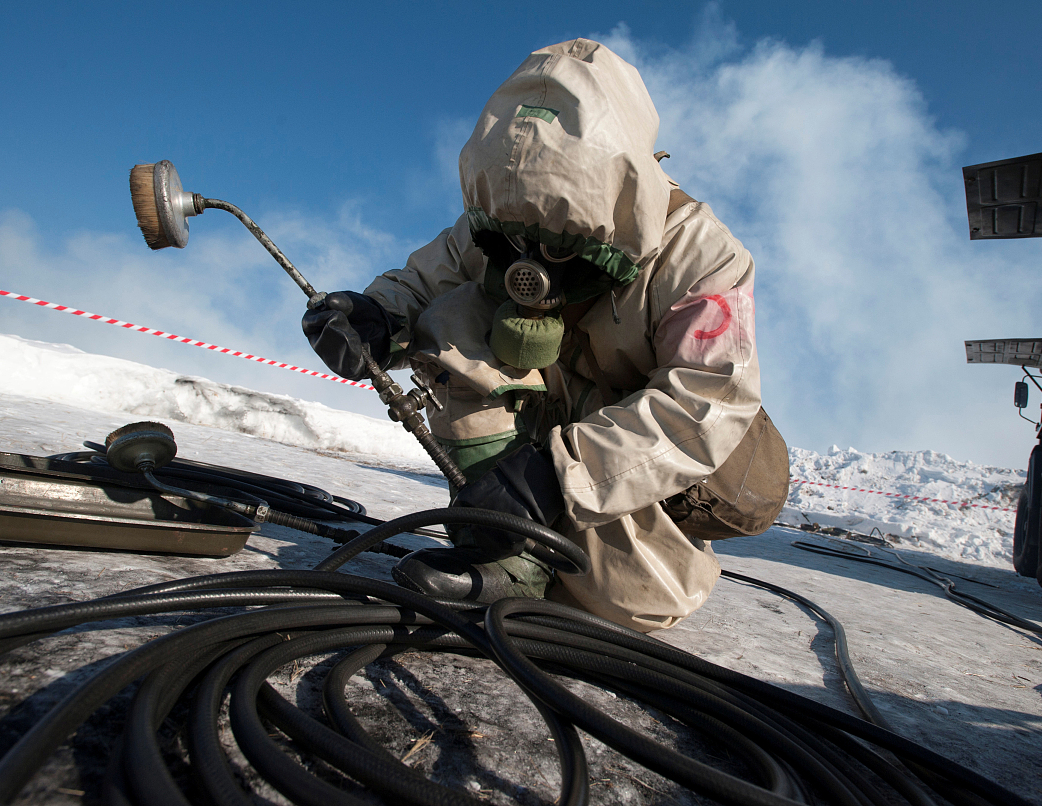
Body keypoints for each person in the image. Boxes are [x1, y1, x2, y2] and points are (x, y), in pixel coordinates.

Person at [303, 39, 788, 632]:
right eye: (513, 245)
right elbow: (426, 281)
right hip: (553, 408)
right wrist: (374, 315)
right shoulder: (501, 222)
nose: (529, 269)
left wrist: (557, 475)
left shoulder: (703, 258)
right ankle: (507, 554)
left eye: (559, 247)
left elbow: (703, 400)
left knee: (636, 602)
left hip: (659, 447)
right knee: (458, 314)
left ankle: (597, 544)